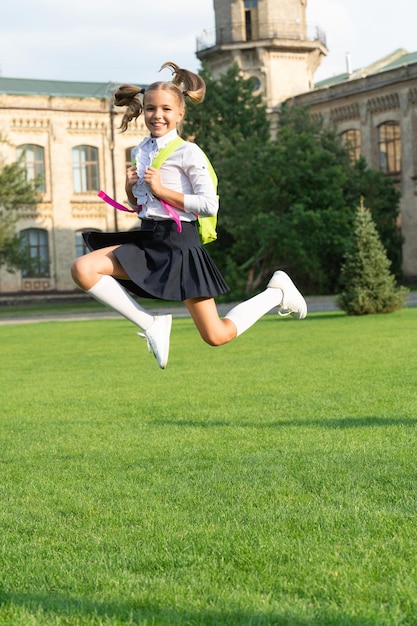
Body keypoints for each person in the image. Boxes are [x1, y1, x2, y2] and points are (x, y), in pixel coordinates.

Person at [70, 62, 307, 369]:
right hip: (149, 237)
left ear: (180, 113)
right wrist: (131, 189)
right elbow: (145, 206)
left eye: (166, 109)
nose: (158, 115)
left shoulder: (189, 152)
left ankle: (276, 294)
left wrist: (162, 189)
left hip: (179, 246)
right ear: (143, 111)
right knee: (83, 269)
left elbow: (209, 205)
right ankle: (151, 324)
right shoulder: (141, 151)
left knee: (216, 335)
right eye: (152, 109)